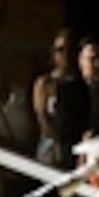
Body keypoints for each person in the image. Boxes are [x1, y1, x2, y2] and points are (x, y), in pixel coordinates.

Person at [54, 36, 99, 168]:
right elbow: (65, 129)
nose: (98, 65)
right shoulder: (68, 92)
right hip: (76, 160)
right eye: (92, 59)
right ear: (80, 61)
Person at [32, 27, 78, 168]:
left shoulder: (81, 82)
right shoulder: (45, 83)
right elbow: (42, 116)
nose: (65, 55)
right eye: (60, 50)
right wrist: (60, 142)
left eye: (69, 50)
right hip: (51, 147)